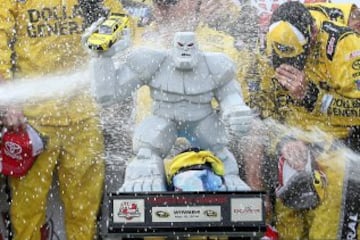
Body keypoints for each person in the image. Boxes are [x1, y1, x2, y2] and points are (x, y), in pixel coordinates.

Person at [0, 0, 124, 239]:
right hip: (32, 120)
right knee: (27, 211)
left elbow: (120, 25)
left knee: (84, 211)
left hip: (85, 116)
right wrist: (8, 102)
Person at [89, 31, 254, 192]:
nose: (185, 50)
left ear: (197, 47)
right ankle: (143, 181)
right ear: (173, 46)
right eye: (181, 45)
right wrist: (103, 58)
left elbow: (230, 95)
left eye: (190, 45)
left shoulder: (216, 65)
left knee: (219, 149)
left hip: (203, 119)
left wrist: (236, 111)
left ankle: (230, 180)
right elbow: (107, 96)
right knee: (147, 150)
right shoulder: (152, 62)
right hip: (163, 117)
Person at [252, 1, 360, 239]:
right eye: (281, 60)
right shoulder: (265, 49)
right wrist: (283, 142)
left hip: (339, 155)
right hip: (292, 158)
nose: (288, 68)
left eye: (296, 60)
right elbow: (260, 117)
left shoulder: (344, 45)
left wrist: (313, 97)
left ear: (312, 34)